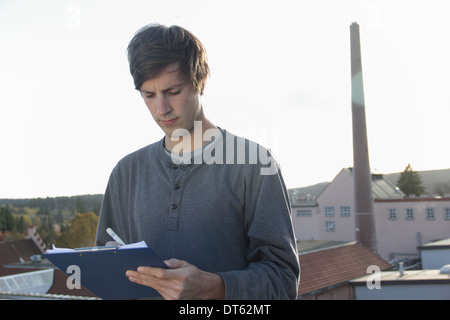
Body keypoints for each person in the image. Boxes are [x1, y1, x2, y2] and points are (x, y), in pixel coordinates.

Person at [95, 23, 300, 300]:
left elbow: (284, 282)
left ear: (200, 82)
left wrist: (215, 287)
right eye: (149, 95)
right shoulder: (126, 172)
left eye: (173, 91)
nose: (161, 109)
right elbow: (106, 272)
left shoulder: (255, 165)